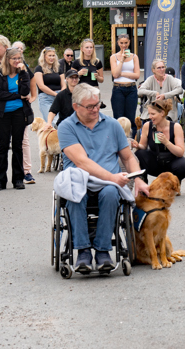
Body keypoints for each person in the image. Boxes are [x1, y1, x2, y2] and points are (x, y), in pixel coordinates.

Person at [58, 84, 149, 273]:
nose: (95, 109)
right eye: (90, 106)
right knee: (75, 195)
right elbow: (82, 162)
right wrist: (112, 177)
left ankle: (102, 250)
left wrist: (139, 179)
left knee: (110, 194)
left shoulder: (112, 124)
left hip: (109, 184)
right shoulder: (66, 127)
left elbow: (128, 157)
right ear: (76, 107)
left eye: (97, 104)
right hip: (80, 179)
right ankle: (82, 251)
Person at [0, 47, 33, 191]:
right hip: (2, 114)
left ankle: (18, 179)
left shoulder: (23, 74)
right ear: (8, 60)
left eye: (19, 58)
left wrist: (22, 73)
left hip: (19, 112)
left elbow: (25, 91)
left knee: (17, 145)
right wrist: (16, 96)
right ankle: (0, 180)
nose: (17, 61)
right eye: (14, 58)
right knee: (2, 146)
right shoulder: (0, 75)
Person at [130, 99, 185, 182]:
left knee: (184, 165)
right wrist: (137, 145)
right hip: (155, 162)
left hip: (171, 161)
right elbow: (143, 146)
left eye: (153, 114)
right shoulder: (147, 126)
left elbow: (180, 153)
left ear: (162, 113)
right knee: (139, 154)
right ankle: (143, 184)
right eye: (149, 114)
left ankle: (173, 183)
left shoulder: (176, 127)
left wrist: (166, 142)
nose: (150, 117)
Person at [12, 41, 37, 183]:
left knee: (23, 140)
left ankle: (26, 172)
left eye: (21, 49)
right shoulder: (2, 66)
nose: (19, 51)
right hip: (4, 108)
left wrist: (33, 96)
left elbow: (32, 80)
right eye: (16, 49)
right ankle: (0, 173)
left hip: (21, 108)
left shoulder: (24, 66)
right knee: (1, 143)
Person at [110, 34, 140, 137]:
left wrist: (121, 74)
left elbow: (137, 75)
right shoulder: (113, 57)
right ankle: (118, 140)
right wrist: (122, 60)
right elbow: (115, 74)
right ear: (118, 43)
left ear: (129, 43)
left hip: (131, 88)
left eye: (126, 43)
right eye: (121, 43)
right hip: (118, 89)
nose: (124, 45)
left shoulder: (134, 57)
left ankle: (131, 140)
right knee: (118, 118)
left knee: (131, 117)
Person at [140, 58, 184, 123]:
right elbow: (140, 91)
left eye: (163, 67)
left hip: (168, 110)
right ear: (153, 70)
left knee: (166, 120)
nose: (162, 69)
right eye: (159, 68)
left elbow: (180, 89)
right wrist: (154, 93)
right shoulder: (150, 79)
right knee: (149, 122)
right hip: (153, 108)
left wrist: (165, 95)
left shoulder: (169, 78)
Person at [34, 46, 65, 122]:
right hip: (46, 98)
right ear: (44, 57)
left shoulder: (58, 68)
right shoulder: (39, 69)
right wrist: (55, 94)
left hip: (59, 97)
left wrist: (61, 94)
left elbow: (64, 84)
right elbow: (41, 86)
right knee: (53, 121)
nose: (52, 57)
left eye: (53, 55)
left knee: (61, 121)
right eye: (49, 55)